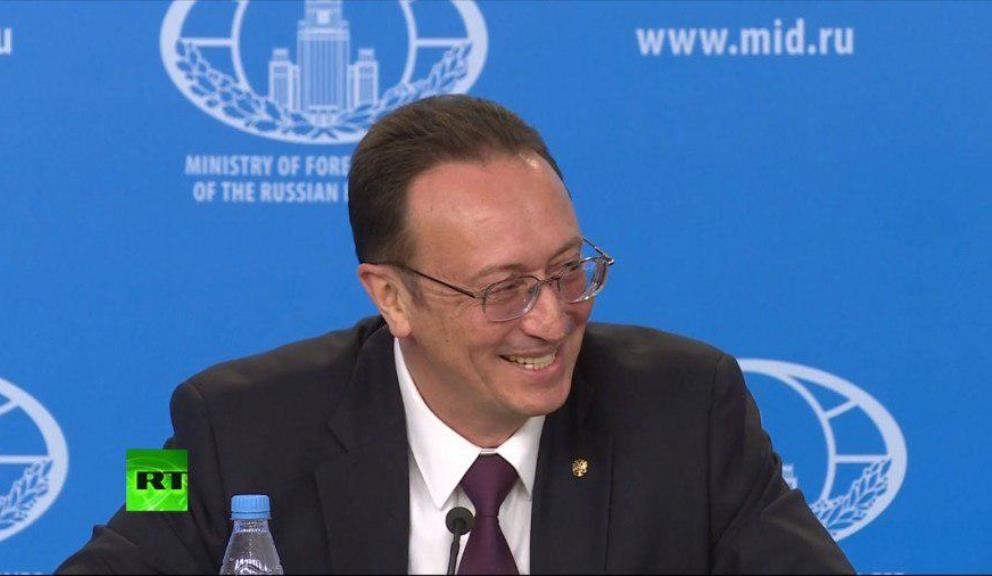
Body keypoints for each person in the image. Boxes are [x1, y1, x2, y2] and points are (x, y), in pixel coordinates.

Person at [58, 95, 853, 574]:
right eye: (504, 290)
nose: (552, 318)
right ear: (391, 297)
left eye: (568, 270)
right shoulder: (218, 423)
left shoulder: (693, 406)